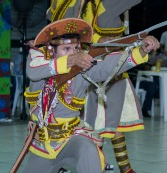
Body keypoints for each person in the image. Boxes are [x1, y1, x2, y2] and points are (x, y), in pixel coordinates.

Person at [22, 18, 159, 173]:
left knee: (88, 149)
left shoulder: (82, 67)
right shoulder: (38, 59)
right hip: (43, 144)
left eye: (75, 48)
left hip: (72, 136)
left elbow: (107, 67)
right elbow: (33, 71)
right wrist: (72, 59)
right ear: (51, 51)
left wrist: (140, 51)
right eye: (66, 49)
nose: (73, 52)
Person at [47, 1, 144, 173]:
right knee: (81, 121)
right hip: (80, 67)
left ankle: (122, 167)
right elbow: (55, 21)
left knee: (112, 120)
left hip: (107, 66)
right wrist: (99, 40)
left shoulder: (99, 3)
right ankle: (85, 162)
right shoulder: (66, 3)